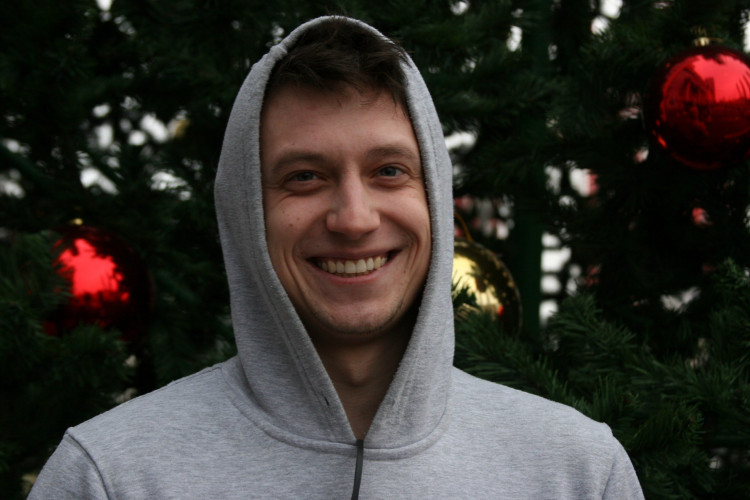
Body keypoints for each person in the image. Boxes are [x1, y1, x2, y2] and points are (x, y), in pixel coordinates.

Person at [29, 16, 644, 499]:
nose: (354, 218)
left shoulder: (576, 475)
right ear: (247, 213)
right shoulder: (110, 478)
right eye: (304, 176)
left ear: (433, 196)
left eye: (389, 171)